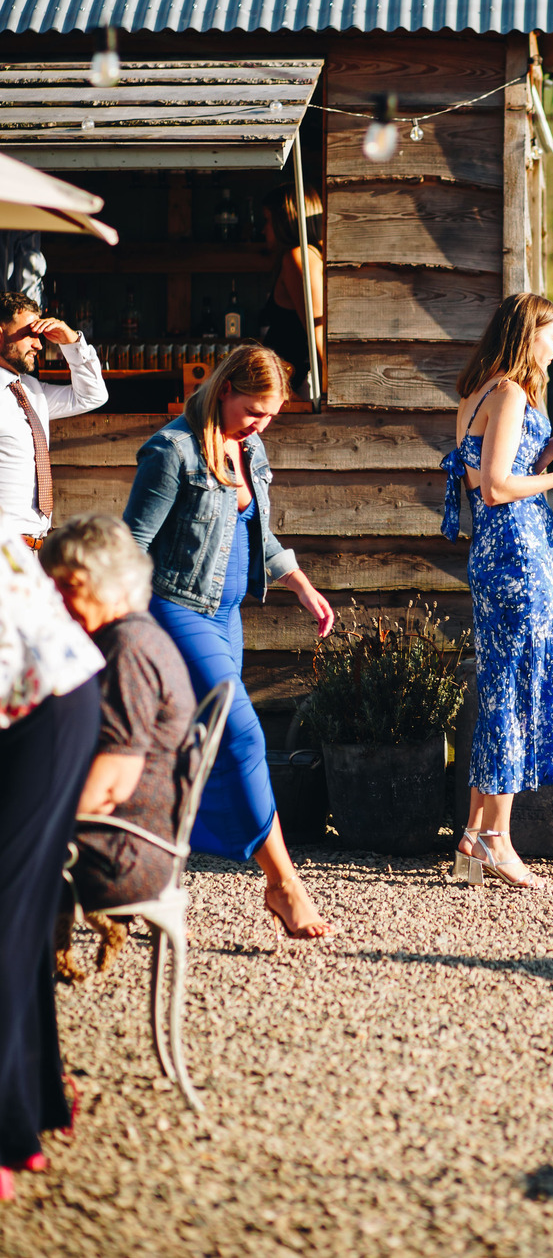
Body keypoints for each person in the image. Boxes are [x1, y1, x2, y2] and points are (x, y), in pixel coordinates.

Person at [123, 344, 336, 940]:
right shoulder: (173, 451)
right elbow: (131, 544)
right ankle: (283, 882)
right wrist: (124, 627)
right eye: (254, 412)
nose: (262, 425)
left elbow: (259, 535)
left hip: (227, 617)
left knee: (189, 750)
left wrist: (301, 585)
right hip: (174, 610)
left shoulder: (252, 449)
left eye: (270, 416)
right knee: (240, 731)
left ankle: (146, 874)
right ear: (225, 392)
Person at [440, 293, 553, 890]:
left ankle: (477, 834)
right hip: (518, 555)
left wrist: (550, 448)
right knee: (514, 689)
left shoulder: (477, 393)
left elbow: (481, 471)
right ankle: (498, 839)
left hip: (499, 554)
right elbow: (499, 487)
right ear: (527, 335)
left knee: (504, 684)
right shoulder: (507, 392)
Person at [0, 516, 103, 1199]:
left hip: (45, 696)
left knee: (5, 916)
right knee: (17, 916)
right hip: (34, 690)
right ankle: (33, 1102)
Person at [40, 516, 195, 937]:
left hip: (120, 855)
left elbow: (111, 786)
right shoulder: (136, 636)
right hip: (133, 843)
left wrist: (31, 822)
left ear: (109, 583)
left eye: (69, 586)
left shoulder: (128, 649)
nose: (58, 601)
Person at [0, 290, 108, 552]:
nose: (39, 344)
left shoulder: (31, 390)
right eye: (29, 334)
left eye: (40, 335)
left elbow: (92, 396)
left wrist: (72, 342)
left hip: (32, 551)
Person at [259, 184, 324, 399]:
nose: (263, 230)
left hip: (296, 387)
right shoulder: (309, 255)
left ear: (284, 221)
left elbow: (317, 331)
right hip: (288, 384)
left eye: (267, 220)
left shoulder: (299, 258)